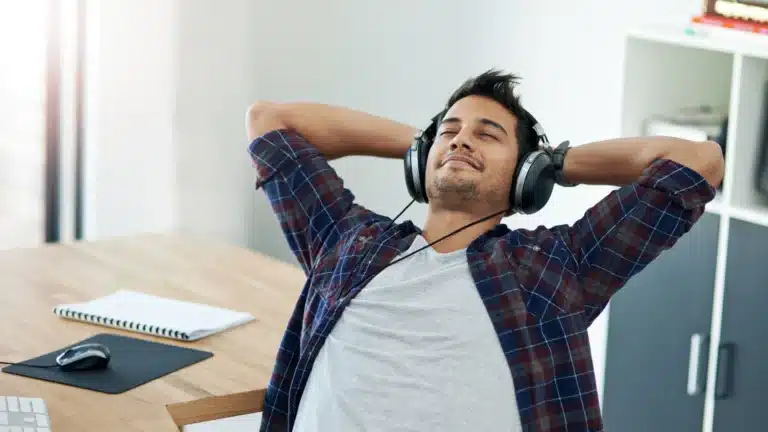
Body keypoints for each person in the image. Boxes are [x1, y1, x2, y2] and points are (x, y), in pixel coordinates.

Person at [245, 70, 724, 432]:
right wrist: (420, 143)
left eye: (487, 134)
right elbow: (271, 122)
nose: (461, 140)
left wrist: (555, 163)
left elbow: (698, 162)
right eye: (449, 131)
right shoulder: (349, 243)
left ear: (524, 177)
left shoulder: (555, 266)